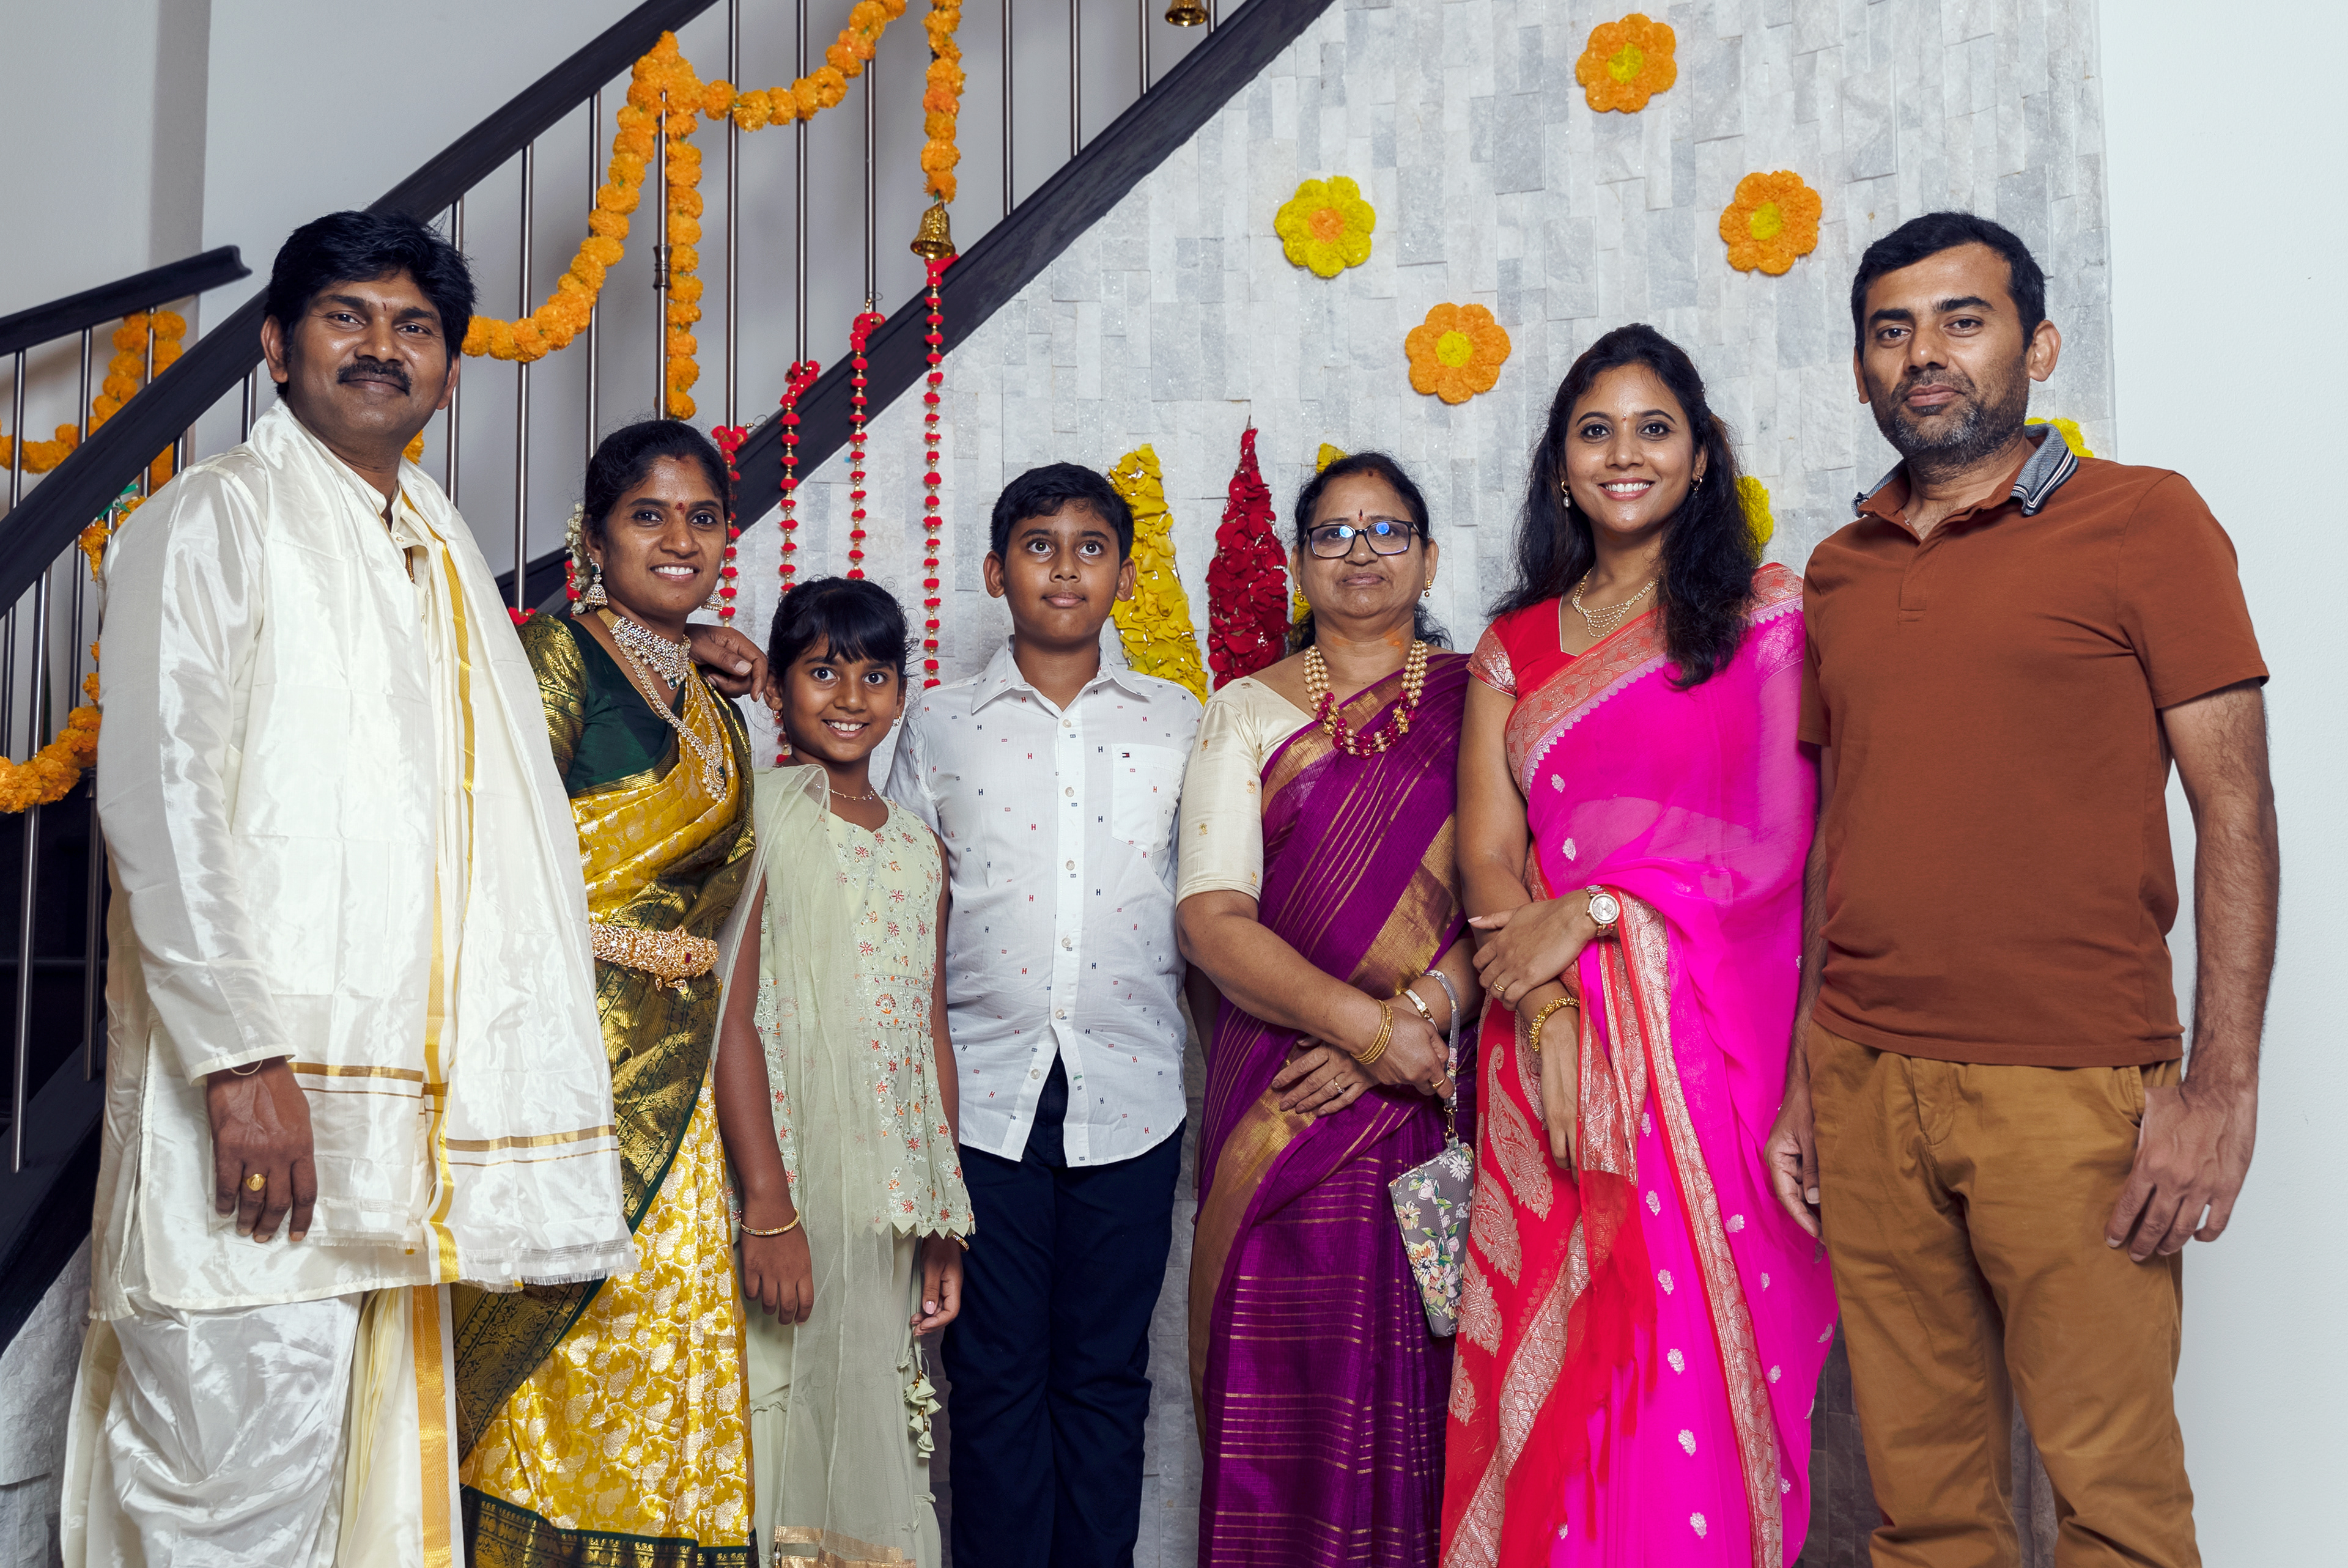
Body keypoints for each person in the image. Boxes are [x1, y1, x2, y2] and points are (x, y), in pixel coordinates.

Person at [60, 210, 639, 1568]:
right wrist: (240, 1060)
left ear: (448, 370)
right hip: (257, 1114)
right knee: (228, 1489)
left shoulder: (430, 543)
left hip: (390, 1144)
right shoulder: (214, 518)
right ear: (276, 346)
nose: (383, 346)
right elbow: (161, 800)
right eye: (347, 317)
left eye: (414, 326)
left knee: (340, 1493)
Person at [1767, 212, 2277, 1567]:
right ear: (1862, 370)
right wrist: (1807, 1072)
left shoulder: (2147, 519)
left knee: (2115, 1504)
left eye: (1962, 319)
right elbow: (1840, 834)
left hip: (2072, 1087)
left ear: (2038, 346)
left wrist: (2222, 1088)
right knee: (1925, 1511)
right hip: (1867, 1082)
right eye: (1892, 331)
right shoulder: (1840, 568)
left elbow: (2235, 804)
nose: (1923, 353)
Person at [1443, 325, 1837, 1567]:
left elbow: (1779, 842)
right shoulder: (1513, 647)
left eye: (1655, 428)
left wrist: (1602, 909)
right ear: (1560, 464)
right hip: (1545, 1045)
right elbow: (1487, 856)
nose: (1625, 454)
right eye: (1596, 431)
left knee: (1685, 1360)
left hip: (1712, 1053)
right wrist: (1551, 1007)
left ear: (1702, 455)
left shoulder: (1766, 615)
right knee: (1569, 1371)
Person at [451, 419, 773, 1566]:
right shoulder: (554, 655)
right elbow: (496, 858)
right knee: (558, 1355)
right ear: (592, 537)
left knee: (669, 1340)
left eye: (702, 517)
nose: (679, 539)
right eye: (648, 515)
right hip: (565, 1059)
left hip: (678, 1071)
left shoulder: (717, 696)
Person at [884, 462, 1200, 1567]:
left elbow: (1210, 903)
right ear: (994, 570)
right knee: (993, 1375)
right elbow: (906, 911)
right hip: (981, 1101)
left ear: (1125, 574)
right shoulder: (937, 724)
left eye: (1090, 546)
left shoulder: (1181, 720)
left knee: (1107, 1377)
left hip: (1135, 1095)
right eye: (1038, 545)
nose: (1065, 568)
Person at [1178, 451, 1482, 1567]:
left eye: (1387, 530)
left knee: (1428, 1380)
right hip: (1281, 1098)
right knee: (1282, 1381)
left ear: (1429, 558)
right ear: (1302, 563)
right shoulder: (1243, 712)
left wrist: (1410, 1024)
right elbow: (1212, 921)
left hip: (1431, 1095)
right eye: (1334, 533)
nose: (1362, 552)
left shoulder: (1482, 699)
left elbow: (1513, 901)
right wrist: (1366, 1030)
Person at [723, 575, 973, 1566]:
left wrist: (943, 1219)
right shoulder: (757, 814)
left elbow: (928, 1034)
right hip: (779, 1176)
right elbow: (731, 1013)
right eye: (822, 671)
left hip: (884, 1200)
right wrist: (768, 1204)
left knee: (869, 1412)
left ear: (903, 693)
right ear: (777, 688)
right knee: (773, 1401)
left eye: (875, 674)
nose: (850, 696)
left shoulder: (922, 850)